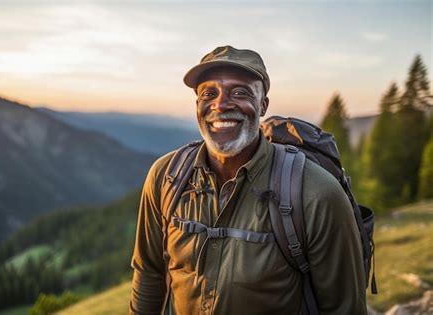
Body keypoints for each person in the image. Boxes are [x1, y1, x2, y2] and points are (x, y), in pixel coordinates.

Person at [129, 45, 367, 314]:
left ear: (263, 105)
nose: (221, 105)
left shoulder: (315, 192)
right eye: (209, 93)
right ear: (197, 105)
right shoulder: (166, 176)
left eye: (240, 92)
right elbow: (149, 274)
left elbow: (344, 308)